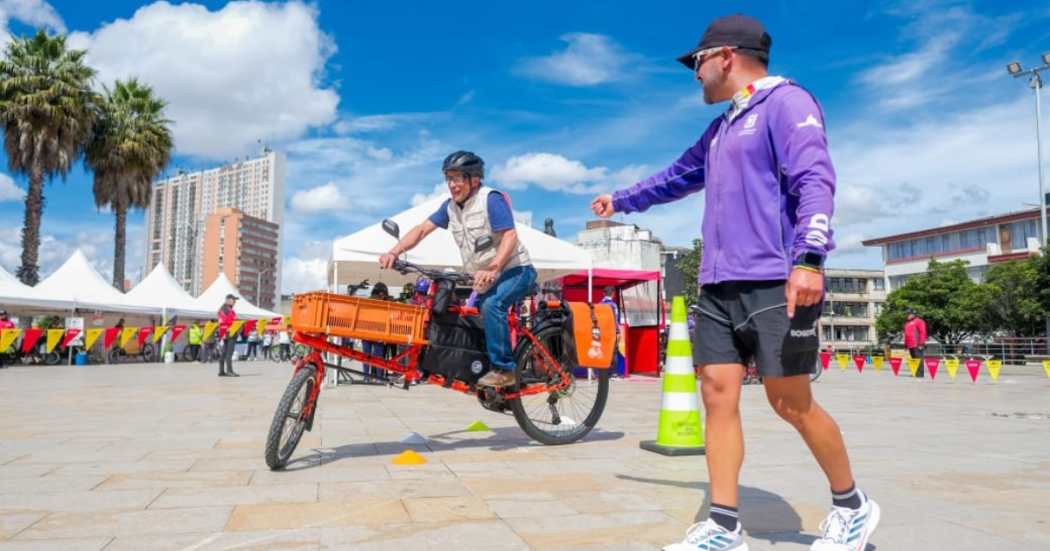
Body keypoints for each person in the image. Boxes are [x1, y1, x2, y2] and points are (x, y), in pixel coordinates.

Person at [589, 14, 878, 551]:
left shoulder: (788, 103)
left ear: (725, 56)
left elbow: (816, 178)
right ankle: (724, 526)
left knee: (789, 402)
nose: (693, 74)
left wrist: (809, 259)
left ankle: (853, 507)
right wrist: (622, 200)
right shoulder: (722, 127)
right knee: (717, 396)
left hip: (775, 279)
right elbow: (677, 175)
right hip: (718, 285)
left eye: (696, 63)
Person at [379, 150, 537, 388]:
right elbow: (422, 230)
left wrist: (493, 268)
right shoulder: (450, 207)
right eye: (448, 179)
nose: (452, 185)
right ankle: (479, 369)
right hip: (486, 278)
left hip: (516, 270)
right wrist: (394, 251)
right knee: (467, 315)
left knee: (492, 305)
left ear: (474, 179)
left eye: (458, 178)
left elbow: (510, 236)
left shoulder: (490, 199)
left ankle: (505, 370)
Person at [361, 282, 391, 377]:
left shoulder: (366, 301)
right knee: (378, 356)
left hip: (365, 332)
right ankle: (379, 377)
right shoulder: (384, 304)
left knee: (366, 355)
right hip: (378, 333)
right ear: (381, 293)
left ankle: (366, 377)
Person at [600, 286, 624, 378]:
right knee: (613, 352)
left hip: (602, 332)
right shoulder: (613, 305)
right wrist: (617, 332)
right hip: (611, 332)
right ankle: (614, 374)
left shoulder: (599, 304)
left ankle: (603, 374)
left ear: (604, 293)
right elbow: (615, 320)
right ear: (613, 294)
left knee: (603, 352)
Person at [217, 294, 239, 377]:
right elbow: (229, 321)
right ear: (228, 300)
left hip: (225, 332)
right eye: (234, 300)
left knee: (224, 352)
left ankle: (221, 371)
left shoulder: (224, 309)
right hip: (230, 332)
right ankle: (229, 371)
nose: (235, 302)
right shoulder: (227, 310)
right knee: (229, 352)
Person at [904, 308, 927, 378]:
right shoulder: (907, 323)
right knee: (914, 359)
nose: (907, 316)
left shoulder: (919, 321)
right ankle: (915, 372)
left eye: (908, 314)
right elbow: (906, 334)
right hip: (910, 344)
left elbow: (923, 332)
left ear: (913, 315)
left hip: (917, 344)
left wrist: (921, 343)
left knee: (919, 359)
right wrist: (905, 345)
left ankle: (920, 374)